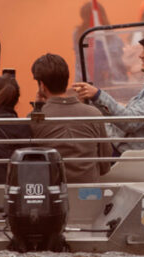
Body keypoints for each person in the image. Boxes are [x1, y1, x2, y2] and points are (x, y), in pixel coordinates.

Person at [73, 29, 144, 153]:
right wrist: (94, 102)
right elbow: (134, 115)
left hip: (126, 152)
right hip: (124, 146)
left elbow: (131, 122)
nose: (140, 55)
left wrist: (97, 95)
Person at [29, 53, 112, 182]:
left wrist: (38, 107)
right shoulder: (93, 114)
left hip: (52, 195)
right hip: (89, 194)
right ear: (66, 79)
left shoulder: (34, 119)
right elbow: (105, 165)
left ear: (42, 85)